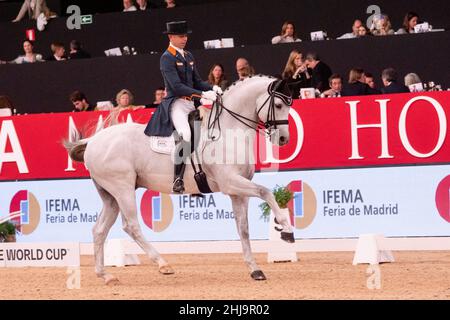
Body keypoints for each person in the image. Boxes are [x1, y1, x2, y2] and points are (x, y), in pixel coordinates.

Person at [144, 21, 220, 193]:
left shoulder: (188, 55)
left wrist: (211, 87)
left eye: (185, 36)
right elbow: (177, 86)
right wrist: (202, 95)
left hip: (191, 103)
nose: (184, 39)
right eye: (180, 36)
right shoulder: (166, 58)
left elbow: (197, 81)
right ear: (171, 37)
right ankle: (177, 179)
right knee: (185, 134)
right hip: (176, 103)